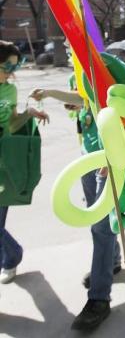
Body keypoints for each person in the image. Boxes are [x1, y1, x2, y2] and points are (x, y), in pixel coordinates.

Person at [30, 79, 121, 331]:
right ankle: (112, 261)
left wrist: (49, 92)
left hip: (105, 160)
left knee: (101, 228)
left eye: (71, 44)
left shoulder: (99, 65)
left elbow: (110, 104)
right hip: (87, 156)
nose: (68, 48)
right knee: (100, 223)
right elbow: (83, 102)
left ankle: (99, 299)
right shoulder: (78, 71)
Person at [0, 41, 49, 284]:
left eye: (15, 65)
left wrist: (28, 113)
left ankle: (10, 256)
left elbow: (10, 124)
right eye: (8, 65)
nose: (12, 71)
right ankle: (11, 254)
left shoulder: (10, 90)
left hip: (4, 162)